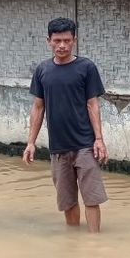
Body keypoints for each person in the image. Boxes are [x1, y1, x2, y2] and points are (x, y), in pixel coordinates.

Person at [22, 18, 108, 233]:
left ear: (74, 41)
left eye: (67, 40)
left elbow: (92, 104)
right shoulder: (42, 70)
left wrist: (99, 139)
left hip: (85, 145)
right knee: (67, 202)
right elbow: (38, 107)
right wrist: (30, 143)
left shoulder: (86, 67)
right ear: (48, 41)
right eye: (57, 40)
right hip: (58, 148)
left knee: (91, 199)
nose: (62, 45)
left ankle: (94, 242)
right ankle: (74, 242)